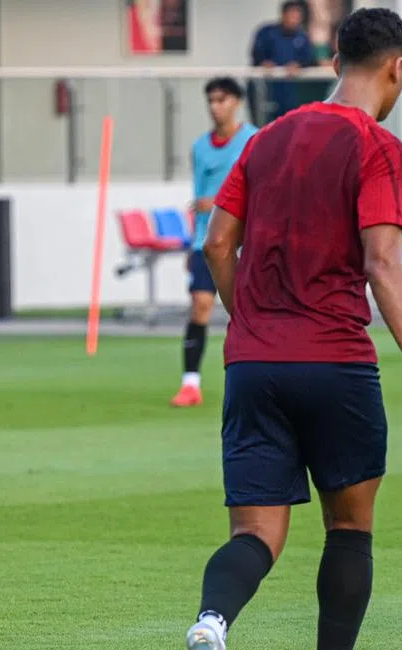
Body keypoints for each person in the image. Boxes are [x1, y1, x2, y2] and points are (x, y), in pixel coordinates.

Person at [187, 8, 402, 650]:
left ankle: (212, 622)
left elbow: (220, 243)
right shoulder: (380, 148)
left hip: (253, 364)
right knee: (349, 526)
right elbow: (382, 263)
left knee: (256, 533)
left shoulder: (266, 139)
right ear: (397, 69)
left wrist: (248, 314)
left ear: (336, 55)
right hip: (334, 362)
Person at [170, 78, 257, 408]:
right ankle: (190, 383)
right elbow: (197, 196)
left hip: (245, 241)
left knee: (249, 312)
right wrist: (192, 243)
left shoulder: (254, 140)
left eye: (221, 99)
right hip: (207, 241)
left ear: (236, 102)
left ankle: (253, 381)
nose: (215, 106)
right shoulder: (199, 147)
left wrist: (223, 203)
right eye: (211, 100)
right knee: (201, 305)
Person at [250, 1, 315, 123]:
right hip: (267, 89)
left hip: (290, 92)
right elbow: (256, 54)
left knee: (290, 126)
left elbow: (309, 59)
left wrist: (298, 65)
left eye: (298, 16)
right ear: (283, 15)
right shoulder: (266, 32)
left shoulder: (302, 37)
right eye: (292, 15)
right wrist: (264, 63)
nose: (295, 19)